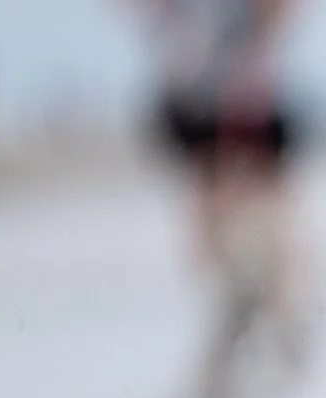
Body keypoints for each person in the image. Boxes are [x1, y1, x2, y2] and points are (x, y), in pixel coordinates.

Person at [131, 0, 311, 364]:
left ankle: (273, 303)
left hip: (239, 104)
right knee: (222, 201)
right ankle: (245, 295)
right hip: (209, 106)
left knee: (263, 207)